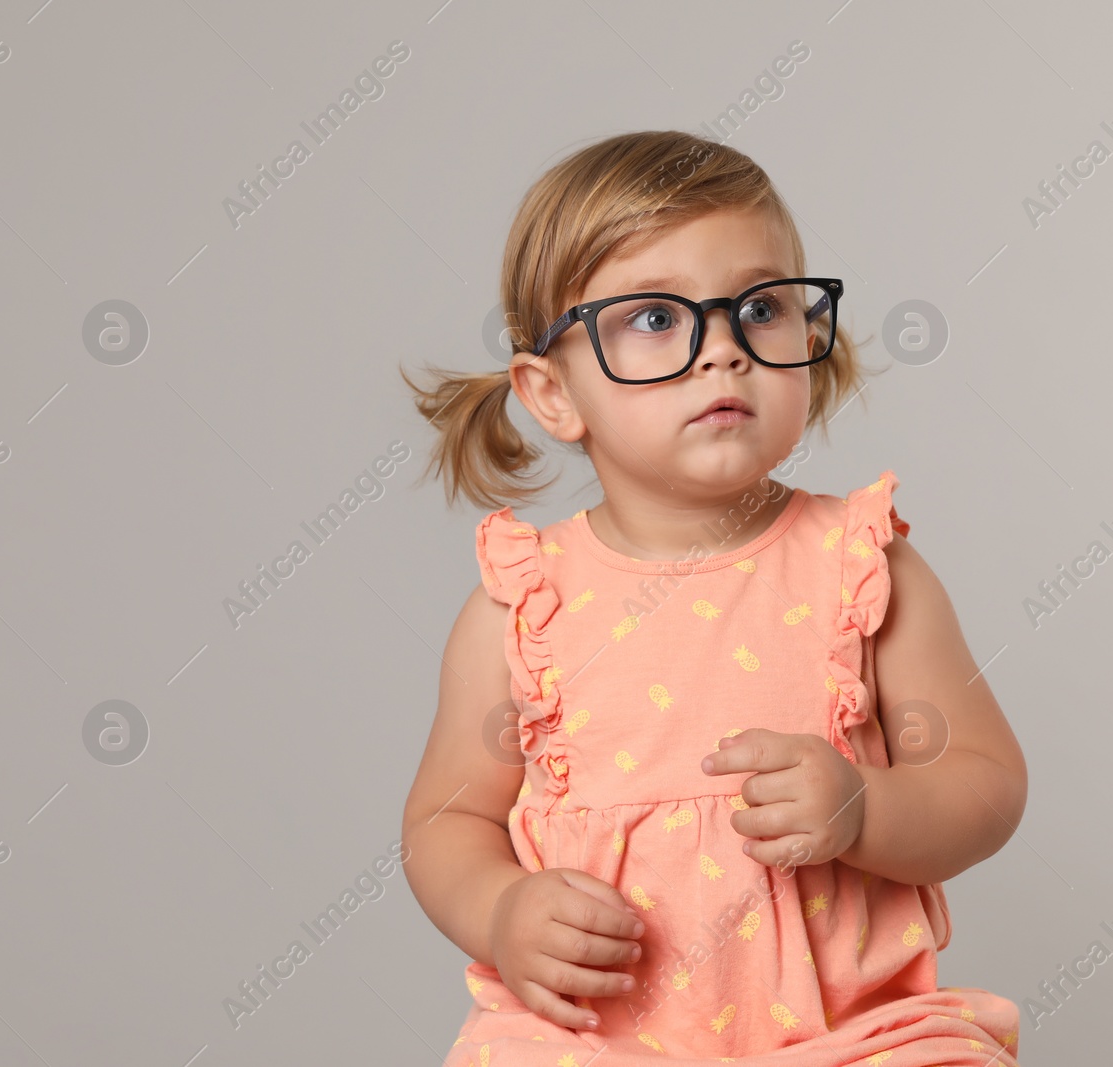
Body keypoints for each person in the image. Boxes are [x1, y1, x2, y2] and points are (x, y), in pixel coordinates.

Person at [399, 130, 1026, 1066]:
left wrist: (866, 809)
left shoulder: (862, 568)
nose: (723, 351)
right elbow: (445, 820)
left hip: (843, 1037)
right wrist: (499, 908)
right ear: (553, 392)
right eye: (655, 317)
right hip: (600, 1042)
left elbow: (985, 781)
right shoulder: (522, 609)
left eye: (761, 307)